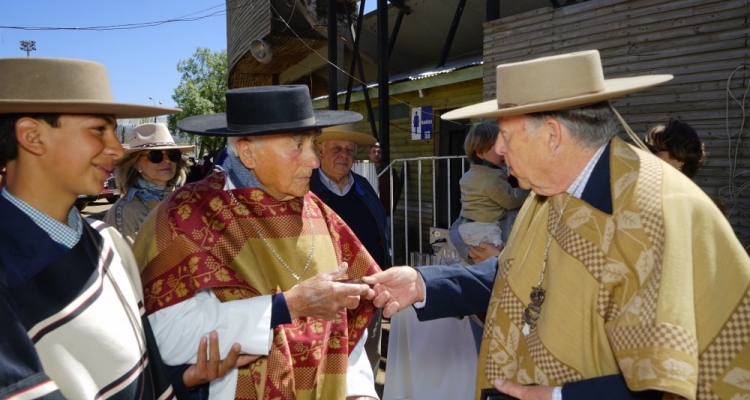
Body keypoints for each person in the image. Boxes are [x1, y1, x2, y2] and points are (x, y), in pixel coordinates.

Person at [365, 50, 750, 399]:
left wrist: (559, 398)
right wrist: (423, 284)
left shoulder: (656, 210)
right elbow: (515, 273)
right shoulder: (555, 191)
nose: (498, 149)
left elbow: (669, 373)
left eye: (506, 133)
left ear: (552, 136)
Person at [0, 57, 250, 399]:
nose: (117, 150)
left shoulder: (109, 243)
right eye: (98, 130)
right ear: (32, 136)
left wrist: (180, 381)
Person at [132, 85, 381, 400]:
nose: (314, 161)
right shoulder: (187, 216)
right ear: (248, 152)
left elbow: (346, 325)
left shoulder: (320, 214)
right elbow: (166, 337)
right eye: (297, 145)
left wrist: (358, 391)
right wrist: (285, 307)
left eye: (313, 144)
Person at [310, 123, 388, 377]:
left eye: (350, 150)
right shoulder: (305, 188)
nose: (344, 155)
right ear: (320, 151)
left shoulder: (364, 187)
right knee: (324, 364)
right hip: (324, 297)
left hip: (367, 293)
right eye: (336, 149)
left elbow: (381, 233)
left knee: (368, 360)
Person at [103, 122, 193, 246]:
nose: (167, 160)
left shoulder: (187, 200)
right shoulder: (124, 212)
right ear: (137, 164)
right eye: (156, 156)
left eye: (172, 154)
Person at [456, 122, 528, 250]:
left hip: (467, 227)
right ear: (481, 152)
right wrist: (528, 191)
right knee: (495, 261)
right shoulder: (491, 177)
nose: (504, 151)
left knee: (478, 264)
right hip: (485, 229)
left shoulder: (470, 174)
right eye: (498, 147)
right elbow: (510, 200)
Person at [644, 119, 727, 215]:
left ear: (680, 158)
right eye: (646, 149)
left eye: (656, 150)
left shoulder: (707, 208)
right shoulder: (641, 198)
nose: (647, 154)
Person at [368, 142, 403, 215]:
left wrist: (391, 206)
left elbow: (397, 190)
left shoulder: (390, 171)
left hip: (385, 211)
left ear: (382, 155)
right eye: (374, 152)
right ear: (369, 154)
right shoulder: (364, 170)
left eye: (379, 152)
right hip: (368, 210)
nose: (376, 154)